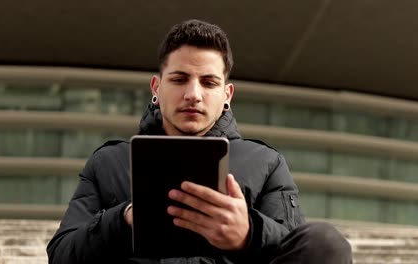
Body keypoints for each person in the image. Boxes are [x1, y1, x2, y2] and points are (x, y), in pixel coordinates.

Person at [47, 19, 352, 264]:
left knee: (325, 243)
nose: (193, 94)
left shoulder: (266, 162)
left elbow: (298, 248)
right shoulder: (108, 162)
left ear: (226, 95)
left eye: (209, 82)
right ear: (157, 87)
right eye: (179, 80)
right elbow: (61, 255)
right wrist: (123, 220)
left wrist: (248, 234)